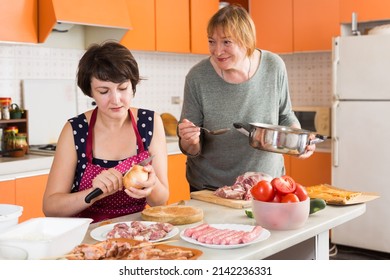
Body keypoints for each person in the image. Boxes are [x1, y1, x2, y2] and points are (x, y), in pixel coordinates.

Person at [177, 5, 316, 192]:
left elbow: (285, 115)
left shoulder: (273, 66)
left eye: (226, 42)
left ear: (246, 40)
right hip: (210, 187)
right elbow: (190, 148)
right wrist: (190, 141)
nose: (217, 51)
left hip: (266, 183)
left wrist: (297, 142)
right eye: (212, 41)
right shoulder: (197, 77)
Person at [43, 41, 169, 222]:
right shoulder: (75, 129)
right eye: (104, 91)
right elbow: (50, 208)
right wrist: (93, 194)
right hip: (85, 235)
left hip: (136, 231)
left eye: (123, 88)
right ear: (90, 92)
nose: (116, 99)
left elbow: (160, 201)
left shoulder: (150, 123)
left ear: (132, 85)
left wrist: (151, 184)